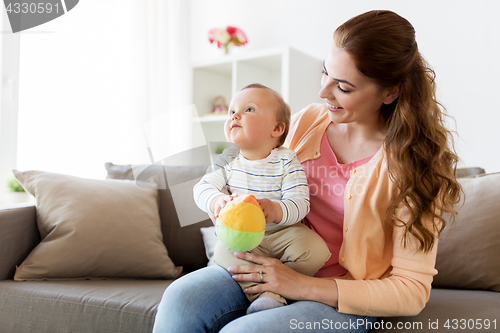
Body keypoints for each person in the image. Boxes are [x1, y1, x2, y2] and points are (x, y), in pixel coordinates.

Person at [152, 10, 462, 333]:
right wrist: (227, 202)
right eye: (325, 73)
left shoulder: (416, 167)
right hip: (269, 262)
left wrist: (300, 285)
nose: (323, 92)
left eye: (342, 86)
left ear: (389, 92)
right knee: (180, 300)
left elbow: (411, 291)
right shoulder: (306, 122)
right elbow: (250, 163)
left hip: (339, 299)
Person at [193, 83, 331, 314]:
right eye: (232, 112)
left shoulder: (286, 160)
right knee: (222, 252)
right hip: (242, 239)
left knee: (315, 249)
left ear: (277, 128)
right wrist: (217, 201)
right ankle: (269, 295)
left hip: (281, 233)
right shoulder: (227, 157)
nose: (235, 115)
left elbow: (300, 202)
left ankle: (284, 286)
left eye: (249, 110)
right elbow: (202, 187)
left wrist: (276, 209)